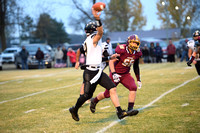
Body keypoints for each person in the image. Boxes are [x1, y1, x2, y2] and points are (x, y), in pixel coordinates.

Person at [69, 8, 134, 122]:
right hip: (90, 72)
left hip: (98, 71)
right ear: (93, 30)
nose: (99, 30)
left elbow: (91, 56)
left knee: (112, 88)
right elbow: (100, 32)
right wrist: (98, 19)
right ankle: (74, 109)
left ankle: (119, 112)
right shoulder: (93, 39)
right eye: (97, 27)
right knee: (86, 96)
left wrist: (109, 58)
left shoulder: (89, 41)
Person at [90, 34, 142, 116]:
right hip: (116, 74)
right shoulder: (122, 49)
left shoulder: (137, 53)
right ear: (129, 42)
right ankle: (94, 100)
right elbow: (111, 61)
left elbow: (136, 66)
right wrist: (114, 73)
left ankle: (130, 109)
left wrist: (138, 79)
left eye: (136, 43)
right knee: (107, 94)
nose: (135, 45)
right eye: (133, 43)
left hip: (125, 75)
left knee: (133, 87)